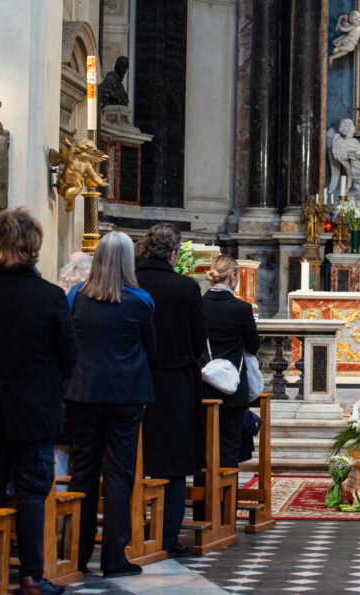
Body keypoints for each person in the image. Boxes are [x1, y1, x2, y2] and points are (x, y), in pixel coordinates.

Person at [0, 208, 77, 595]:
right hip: (36, 409)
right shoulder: (49, 296)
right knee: (31, 493)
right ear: (33, 248)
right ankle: (30, 576)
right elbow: (68, 353)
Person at [64, 232, 155, 578]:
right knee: (118, 475)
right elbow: (152, 346)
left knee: (83, 472)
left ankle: (75, 554)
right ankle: (114, 558)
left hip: (84, 392)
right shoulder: (141, 300)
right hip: (126, 394)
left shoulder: (76, 296)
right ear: (128, 261)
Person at [135, 223, 207, 557]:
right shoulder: (186, 287)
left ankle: (134, 532)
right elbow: (197, 341)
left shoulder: (131, 282)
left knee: (135, 460)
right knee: (175, 466)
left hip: (137, 380)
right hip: (176, 383)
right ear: (174, 254)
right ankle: (166, 539)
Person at [201, 256, 260, 468]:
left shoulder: (199, 304)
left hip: (203, 387)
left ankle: (203, 501)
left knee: (203, 450)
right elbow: (253, 346)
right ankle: (227, 501)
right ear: (233, 277)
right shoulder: (241, 309)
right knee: (229, 451)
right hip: (233, 390)